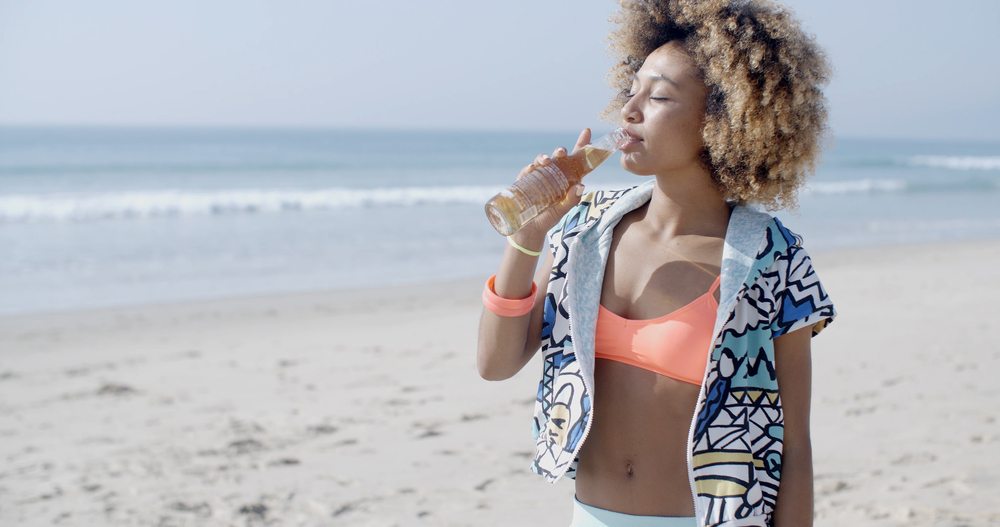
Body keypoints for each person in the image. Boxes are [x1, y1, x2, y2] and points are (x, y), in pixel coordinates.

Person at [477, 1, 837, 526]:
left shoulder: (772, 258)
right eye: (632, 91)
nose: (629, 110)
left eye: (660, 96)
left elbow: (795, 445)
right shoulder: (584, 230)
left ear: (725, 118)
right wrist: (528, 237)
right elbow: (494, 364)